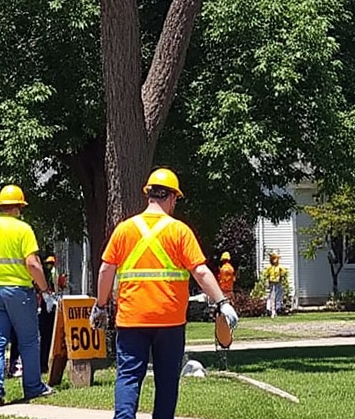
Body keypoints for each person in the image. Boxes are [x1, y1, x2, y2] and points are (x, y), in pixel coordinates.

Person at [91, 168, 237, 419]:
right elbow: (200, 272)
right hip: (169, 320)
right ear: (172, 197)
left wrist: (101, 306)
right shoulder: (179, 231)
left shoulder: (125, 229)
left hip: (131, 319)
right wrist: (222, 302)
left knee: (128, 376)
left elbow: (106, 269)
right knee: (167, 380)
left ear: (149, 195)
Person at [0, 184, 53, 407]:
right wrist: (45, 290)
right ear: (18, 207)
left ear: (0, 206)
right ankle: (33, 387)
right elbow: (33, 264)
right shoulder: (23, 229)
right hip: (18, 292)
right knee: (29, 341)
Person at [262, 252, 289, 317]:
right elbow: (265, 274)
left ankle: (277, 308)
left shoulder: (279, 267)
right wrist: (266, 281)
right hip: (271, 283)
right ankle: (269, 309)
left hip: (278, 282)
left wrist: (283, 276)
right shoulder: (269, 267)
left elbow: (284, 272)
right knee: (271, 296)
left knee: (278, 296)